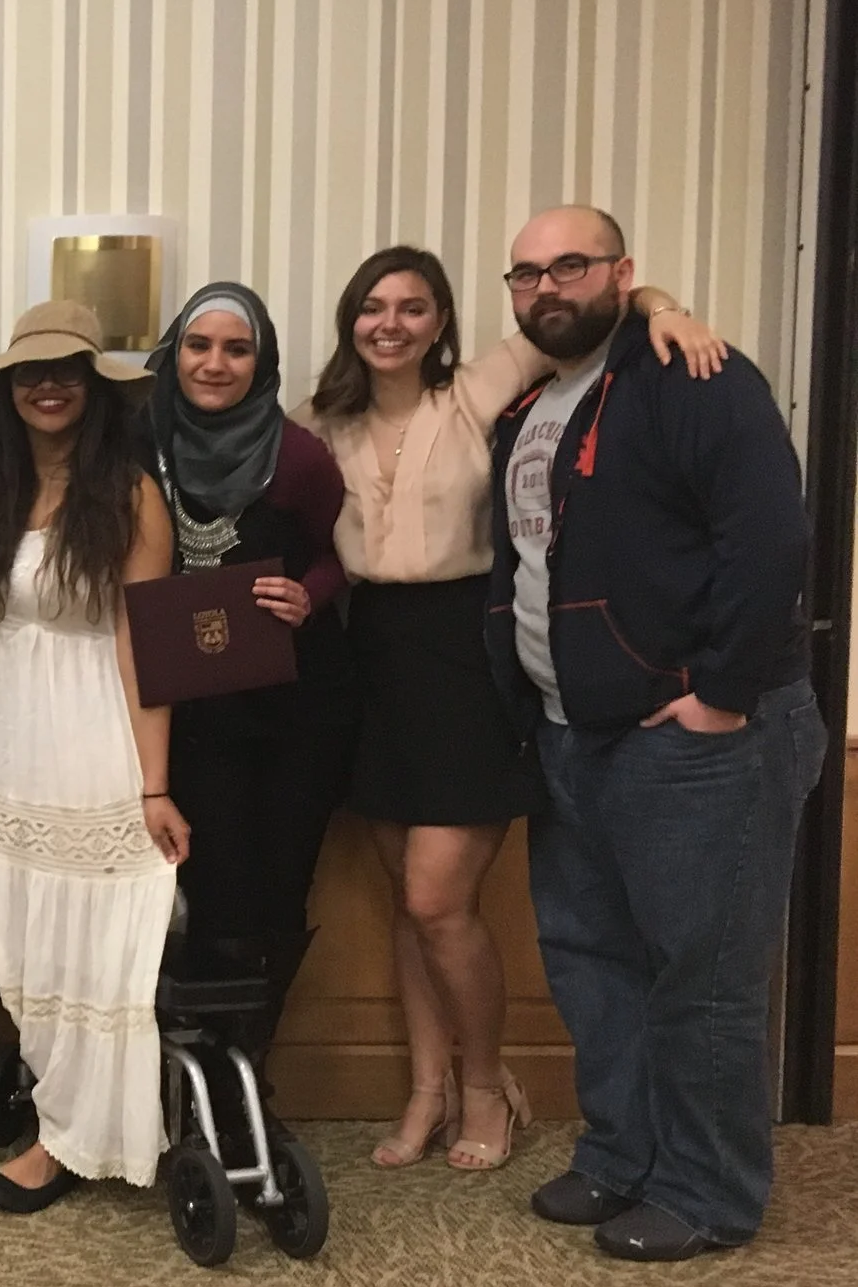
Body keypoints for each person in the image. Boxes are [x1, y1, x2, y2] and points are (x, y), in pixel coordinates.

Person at [302, 246, 719, 1173]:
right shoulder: (318, 420)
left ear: (441, 322)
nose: (390, 324)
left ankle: (488, 1083)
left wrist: (666, 308)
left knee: (437, 898)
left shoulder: (482, 387)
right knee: (407, 905)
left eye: (413, 307)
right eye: (373, 306)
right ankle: (427, 1089)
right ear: (350, 320)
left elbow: (603, 305)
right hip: (369, 656)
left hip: (467, 654)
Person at [490, 206, 820, 1263]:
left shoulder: (695, 378)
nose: (547, 287)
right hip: (570, 733)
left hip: (697, 739)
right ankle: (623, 1155)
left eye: (570, 265)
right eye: (526, 273)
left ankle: (706, 1190)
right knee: (591, 961)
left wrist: (720, 691)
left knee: (701, 973)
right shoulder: (531, 407)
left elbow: (770, 538)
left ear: (622, 272)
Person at [0, 300, 186, 1213]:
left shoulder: (129, 493)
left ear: (94, 388)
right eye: (30, 373)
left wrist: (154, 784)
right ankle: (61, 1098)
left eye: (67, 372)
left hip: (88, 736)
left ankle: (67, 1136)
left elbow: (142, 641)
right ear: (6, 390)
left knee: (82, 946)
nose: (47, 386)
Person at [143, 283, 356, 1090]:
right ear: (174, 354)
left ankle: (247, 1074)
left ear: (260, 363)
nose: (215, 363)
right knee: (210, 883)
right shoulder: (140, 443)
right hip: (190, 712)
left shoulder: (297, 455)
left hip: (293, 707)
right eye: (199, 346)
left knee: (279, 885)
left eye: (237, 349)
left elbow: (335, 553)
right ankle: (197, 1073)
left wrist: (310, 595)